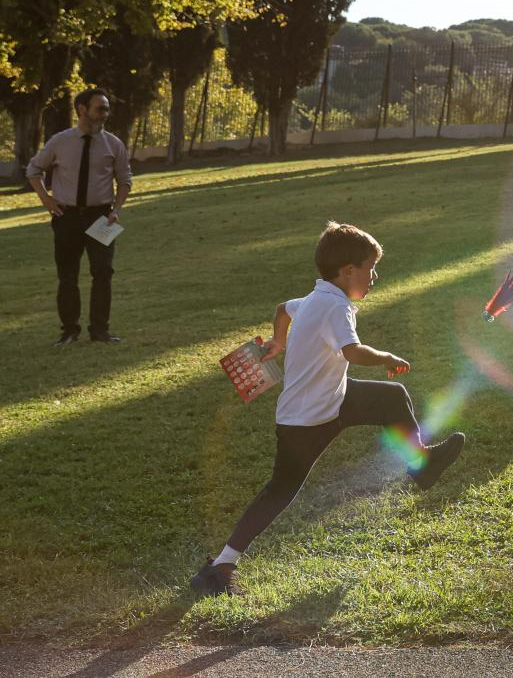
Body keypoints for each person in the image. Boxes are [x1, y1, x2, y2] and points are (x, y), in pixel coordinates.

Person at [190, 222, 465, 598]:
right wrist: (386, 356)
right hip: (308, 420)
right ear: (348, 271)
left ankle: (422, 464)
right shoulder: (334, 306)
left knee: (393, 398)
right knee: (280, 491)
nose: (374, 277)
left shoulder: (316, 298)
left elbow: (282, 309)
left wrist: (278, 341)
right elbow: (352, 351)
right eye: (370, 269)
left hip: (333, 400)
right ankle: (220, 568)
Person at [26, 88, 131, 346]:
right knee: (68, 274)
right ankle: (69, 331)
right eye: (100, 109)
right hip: (67, 216)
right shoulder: (60, 142)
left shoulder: (114, 144)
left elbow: (125, 180)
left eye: (106, 109)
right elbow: (34, 169)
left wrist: (116, 210)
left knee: (103, 271)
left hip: (101, 216)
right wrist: (47, 200)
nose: (105, 114)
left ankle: (100, 330)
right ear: (82, 109)